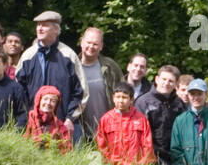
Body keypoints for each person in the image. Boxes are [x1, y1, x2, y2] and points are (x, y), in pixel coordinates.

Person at [15, 11, 86, 144]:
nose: (39, 28)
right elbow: (18, 91)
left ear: (56, 29)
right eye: (38, 25)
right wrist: (28, 117)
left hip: (63, 126)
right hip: (33, 126)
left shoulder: (68, 56)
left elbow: (81, 92)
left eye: (44, 25)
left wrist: (70, 118)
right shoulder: (28, 56)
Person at [134, 65, 186, 165]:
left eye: (171, 81)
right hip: (151, 159)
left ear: (176, 84)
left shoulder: (179, 104)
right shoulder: (143, 102)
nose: (166, 83)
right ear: (157, 79)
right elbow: (137, 135)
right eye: (164, 79)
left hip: (175, 157)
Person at [77, 26, 125, 141]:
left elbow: (124, 94)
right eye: (88, 42)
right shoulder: (72, 67)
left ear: (101, 46)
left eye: (95, 44)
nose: (91, 47)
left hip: (110, 131)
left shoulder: (110, 67)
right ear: (82, 42)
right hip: (81, 132)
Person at [95, 85, 155, 165]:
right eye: (118, 97)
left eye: (124, 97)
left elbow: (147, 145)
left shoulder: (141, 119)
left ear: (131, 100)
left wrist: (143, 164)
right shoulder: (106, 119)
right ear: (113, 98)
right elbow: (101, 145)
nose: (121, 101)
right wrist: (108, 162)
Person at [25, 85, 72, 153]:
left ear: (56, 105)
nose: (48, 103)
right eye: (45, 99)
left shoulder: (60, 127)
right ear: (39, 100)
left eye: (53, 101)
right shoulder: (29, 118)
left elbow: (67, 150)